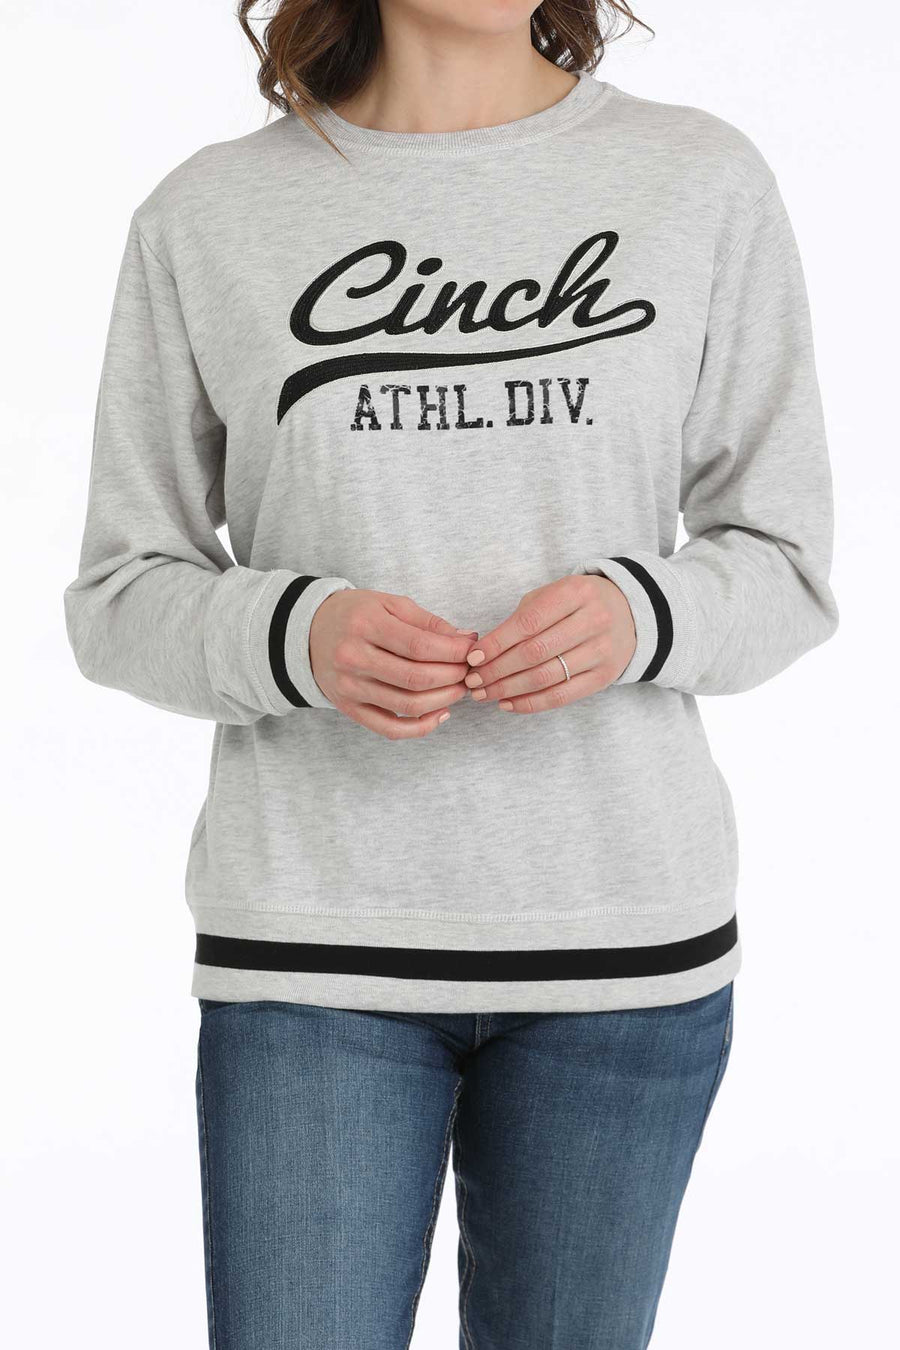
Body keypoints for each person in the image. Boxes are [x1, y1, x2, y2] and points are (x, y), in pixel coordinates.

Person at [62, 2, 839, 1346]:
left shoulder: (698, 182)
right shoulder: (209, 214)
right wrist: (294, 636)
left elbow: (789, 561)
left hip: (621, 954)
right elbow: (118, 592)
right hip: (312, 954)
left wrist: (642, 613)